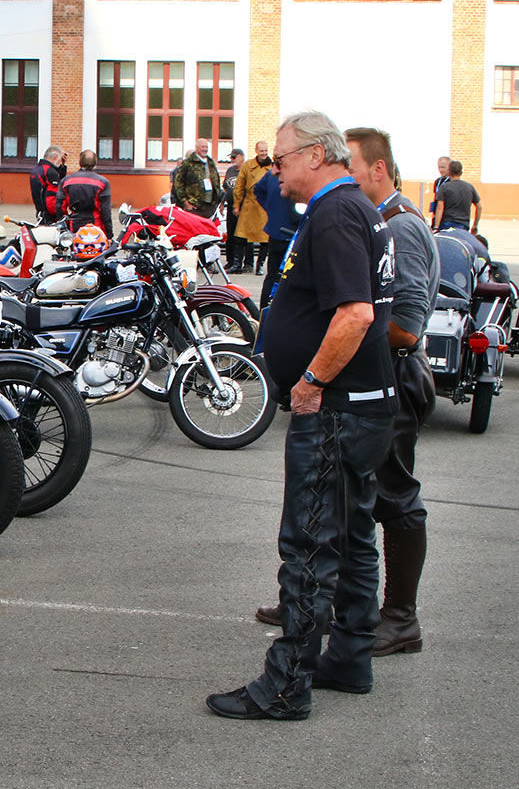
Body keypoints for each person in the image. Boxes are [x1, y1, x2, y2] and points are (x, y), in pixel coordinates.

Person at [207, 111, 396, 721]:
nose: (275, 169)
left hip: (340, 410)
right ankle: (349, 657)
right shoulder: (354, 208)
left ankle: (287, 685)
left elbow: (357, 314)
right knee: (353, 535)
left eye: (282, 158)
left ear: (316, 154)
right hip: (364, 407)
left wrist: (312, 380)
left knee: (310, 544)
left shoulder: (339, 212)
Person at [253, 164, 298, 309]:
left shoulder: (271, 175)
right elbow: (258, 190)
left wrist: (270, 209)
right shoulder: (293, 175)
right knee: (287, 277)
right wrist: (270, 208)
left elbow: (258, 190)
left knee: (272, 276)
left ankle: (264, 310)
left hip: (277, 231)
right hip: (290, 234)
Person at [232, 142, 273, 277]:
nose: (264, 153)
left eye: (266, 150)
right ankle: (237, 264)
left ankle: (259, 265)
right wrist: (236, 205)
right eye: (261, 150)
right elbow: (239, 186)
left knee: (264, 239)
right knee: (240, 236)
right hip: (249, 204)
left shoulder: (272, 167)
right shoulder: (248, 165)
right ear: (256, 150)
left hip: (264, 206)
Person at [58, 151, 113, 236]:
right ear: (95, 163)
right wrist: (109, 234)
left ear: (80, 162)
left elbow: (60, 207)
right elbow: (105, 211)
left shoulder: (66, 181)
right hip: (96, 226)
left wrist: (65, 227)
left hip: (74, 224)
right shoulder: (102, 182)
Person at [172, 138, 222, 218]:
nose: (205, 149)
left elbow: (216, 180)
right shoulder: (188, 163)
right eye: (202, 147)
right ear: (196, 148)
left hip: (209, 206)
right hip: (194, 206)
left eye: (206, 147)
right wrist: (185, 202)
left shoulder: (210, 162)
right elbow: (178, 183)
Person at [432, 160, 480, 234]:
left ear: (449, 171)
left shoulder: (444, 187)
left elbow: (440, 207)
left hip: (446, 223)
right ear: (461, 172)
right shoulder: (469, 187)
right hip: (463, 224)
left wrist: (436, 227)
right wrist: (475, 225)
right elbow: (479, 206)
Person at [222, 149, 248, 272]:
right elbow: (226, 189)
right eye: (231, 157)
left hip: (244, 207)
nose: (232, 160)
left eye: (234, 157)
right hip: (231, 206)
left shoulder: (246, 170)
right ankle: (230, 261)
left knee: (243, 235)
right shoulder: (230, 170)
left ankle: (247, 263)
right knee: (231, 234)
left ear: (241, 157)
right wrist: (222, 203)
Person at [30, 146, 66, 222]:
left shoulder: (37, 170)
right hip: (49, 216)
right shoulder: (50, 172)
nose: (60, 162)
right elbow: (52, 197)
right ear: (55, 157)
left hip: (40, 211)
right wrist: (59, 214)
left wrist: (62, 167)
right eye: (60, 159)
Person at [426, 155, 450, 224]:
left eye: (443, 167)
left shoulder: (451, 181)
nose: (441, 170)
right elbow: (435, 198)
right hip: (437, 215)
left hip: (447, 216)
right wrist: (433, 212)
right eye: (439, 167)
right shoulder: (437, 181)